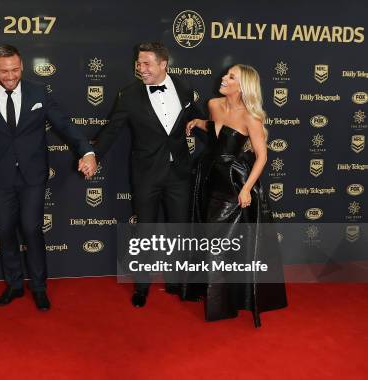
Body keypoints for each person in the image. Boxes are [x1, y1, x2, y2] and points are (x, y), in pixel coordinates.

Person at [0, 45, 95, 311]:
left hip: (33, 175)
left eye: (15, 70)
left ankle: (39, 287)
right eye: (4, 71)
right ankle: (14, 285)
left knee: (32, 229)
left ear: (22, 66)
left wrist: (87, 151)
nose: (10, 76)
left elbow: (64, 124)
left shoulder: (38, 92)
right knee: (6, 230)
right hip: (0, 176)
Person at [93, 42, 203, 307]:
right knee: (145, 231)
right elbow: (111, 130)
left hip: (179, 172)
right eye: (138, 64)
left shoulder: (184, 86)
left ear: (164, 64)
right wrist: (93, 155)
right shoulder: (129, 95)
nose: (141, 69)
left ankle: (177, 282)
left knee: (179, 230)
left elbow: (196, 118)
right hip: (146, 174)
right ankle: (142, 286)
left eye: (146, 64)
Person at [185, 64, 287, 326]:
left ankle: (223, 304)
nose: (224, 78)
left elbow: (262, 156)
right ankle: (219, 295)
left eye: (232, 77)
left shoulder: (251, 117)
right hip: (208, 175)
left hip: (232, 182)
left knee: (217, 240)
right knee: (207, 235)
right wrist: (199, 122)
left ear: (243, 87)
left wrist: (245, 189)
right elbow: (218, 130)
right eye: (226, 74)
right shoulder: (213, 104)